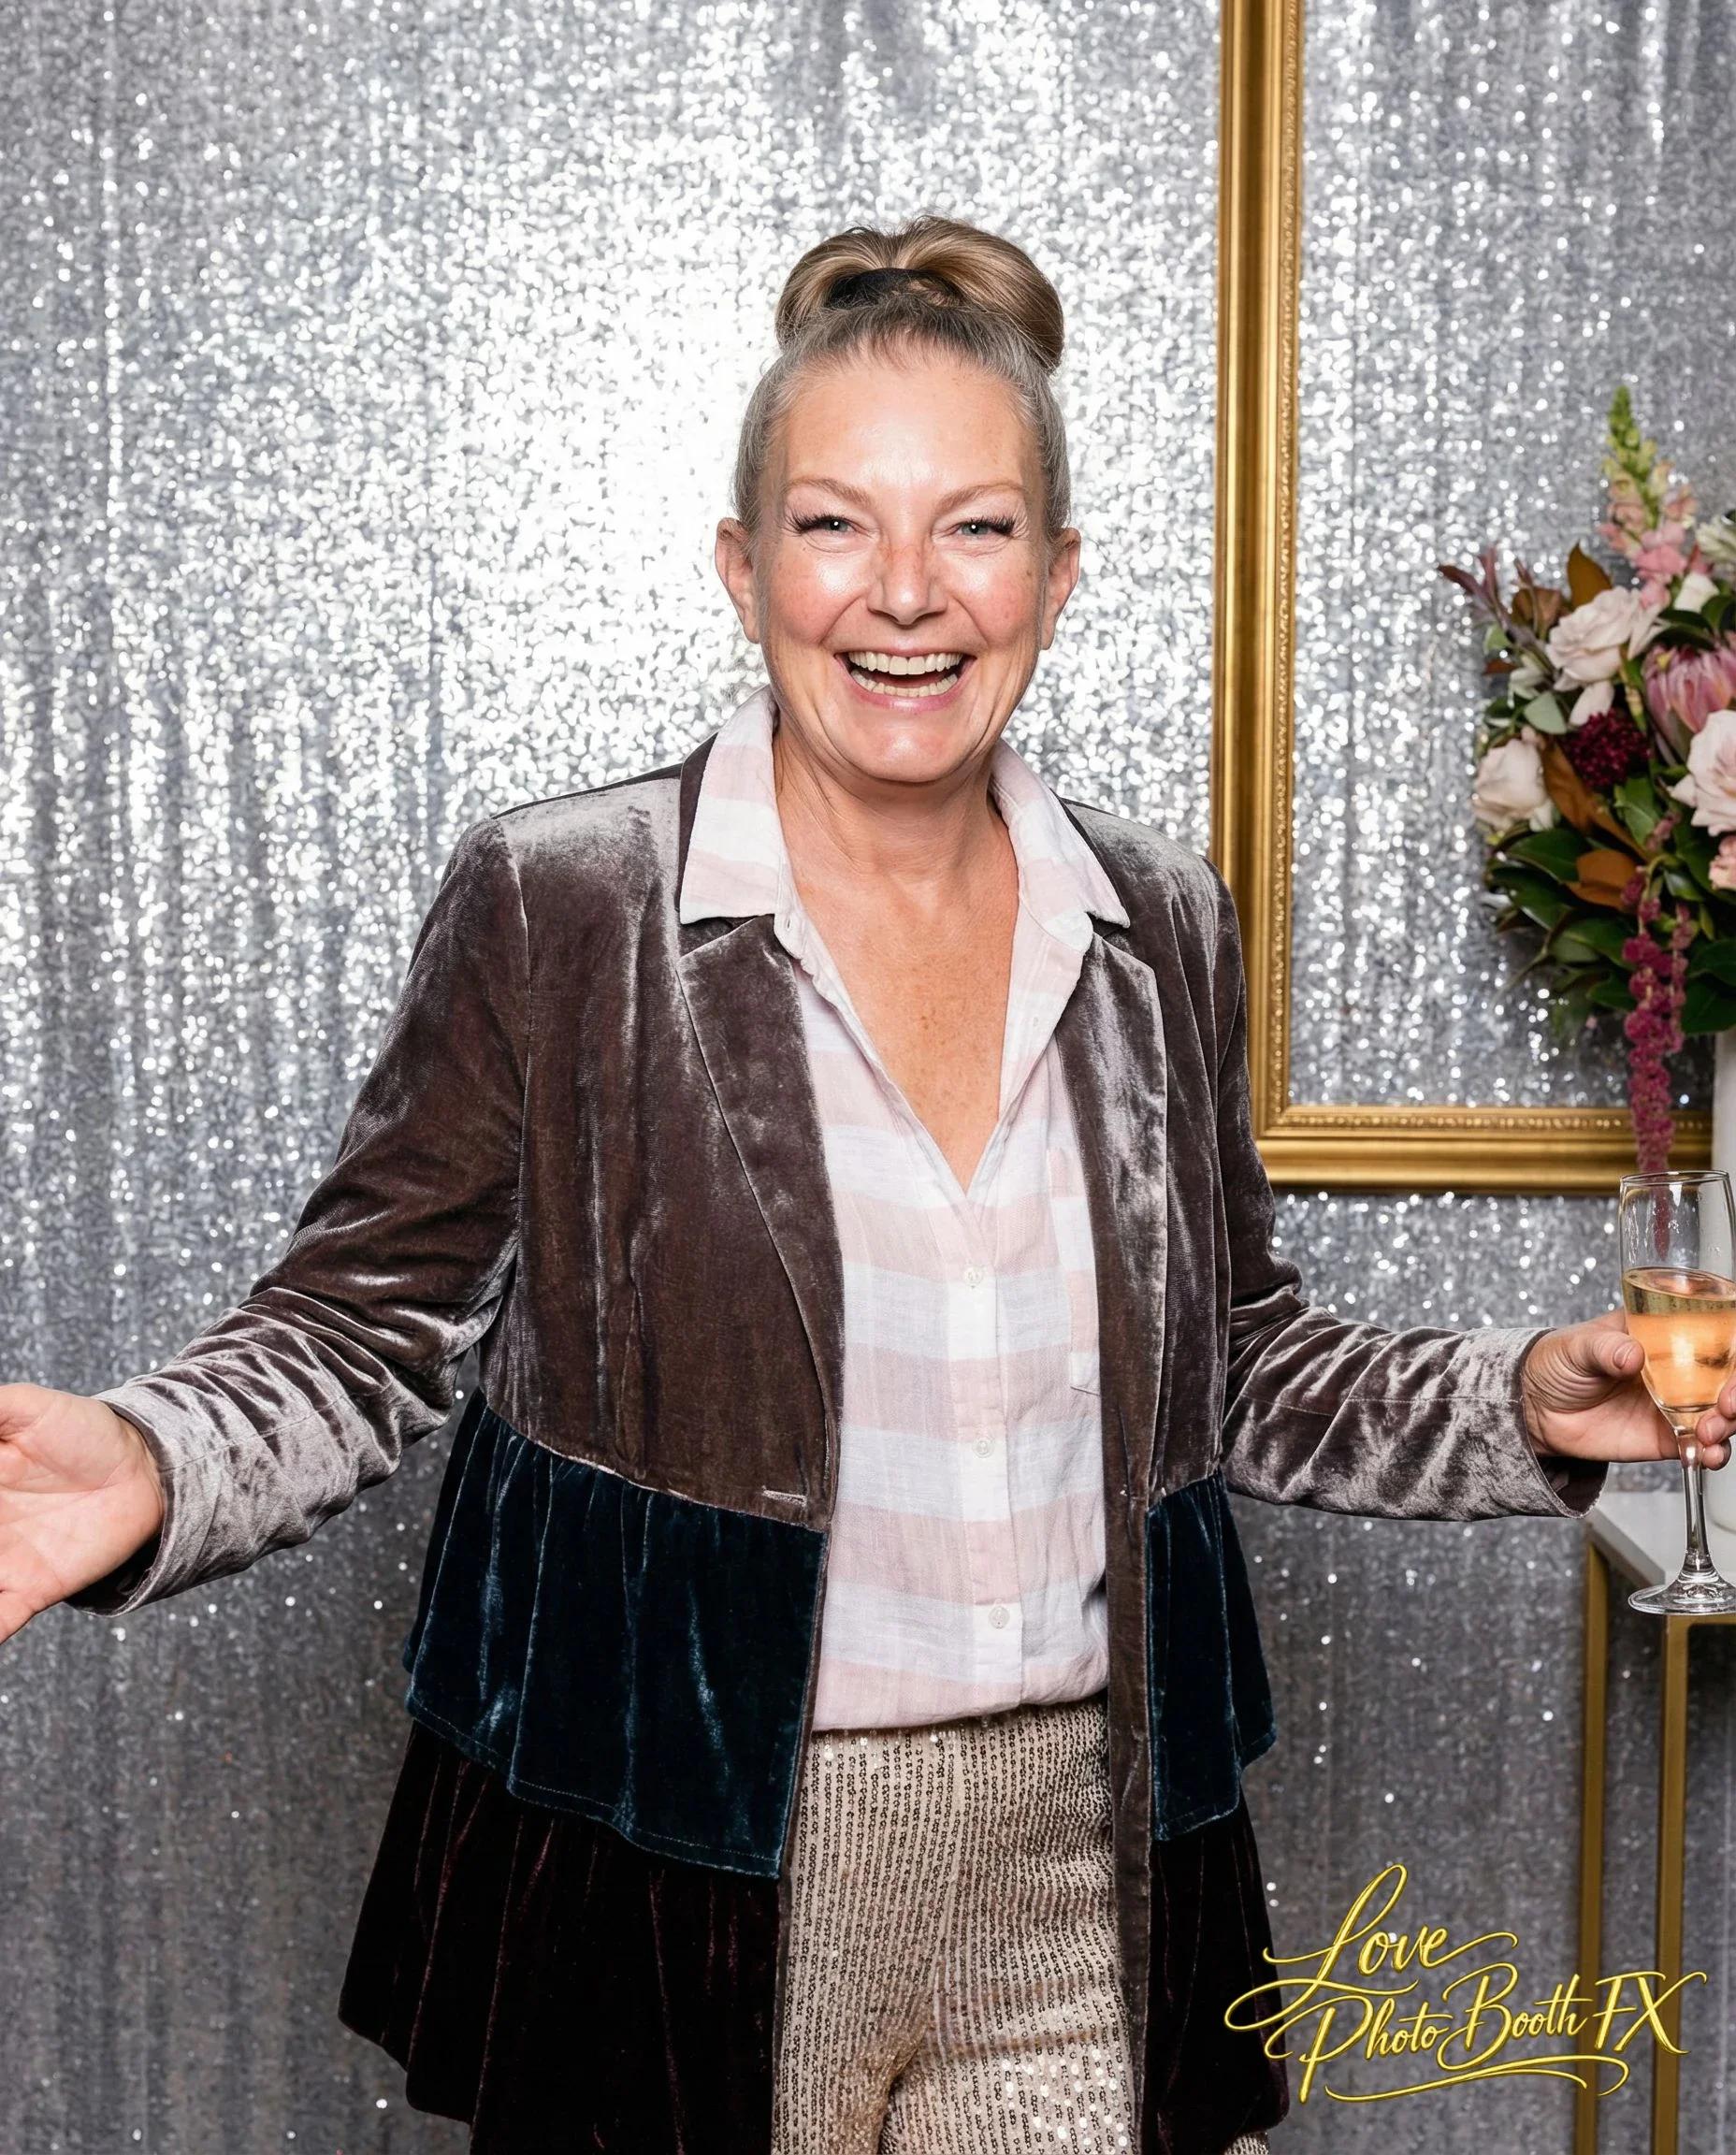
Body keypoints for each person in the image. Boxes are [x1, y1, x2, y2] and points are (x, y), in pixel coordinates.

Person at [0, 217, 1724, 2155]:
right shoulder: (565, 903)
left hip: (1088, 1862)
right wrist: (153, 1463)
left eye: (975, 530)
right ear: (742, 567)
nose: (904, 596)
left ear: (1058, 578)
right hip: (679, 1853)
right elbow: (360, 1329)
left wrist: (1521, 1401)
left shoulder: (1155, 919)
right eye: (833, 526)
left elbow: (1235, 1360)